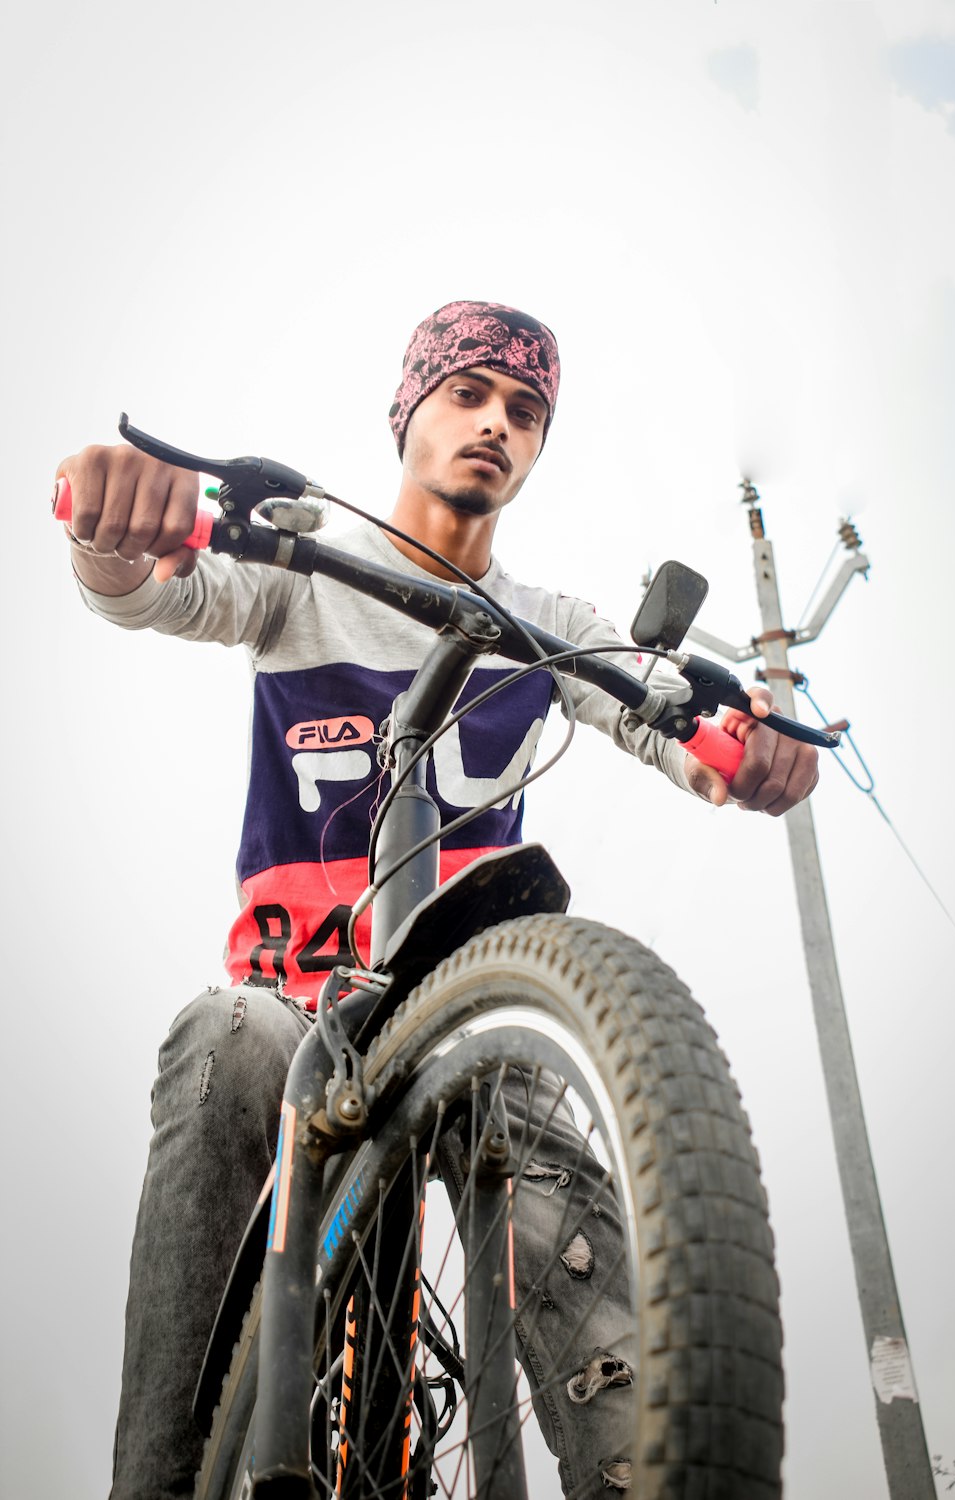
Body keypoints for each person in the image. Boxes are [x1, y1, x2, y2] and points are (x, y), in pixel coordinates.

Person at [59, 301, 818, 1499]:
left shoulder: (548, 626)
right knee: (222, 1037)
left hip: (458, 1000)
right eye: (467, 394)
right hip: (295, 1003)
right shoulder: (300, 579)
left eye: (524, 412)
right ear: (407, 413)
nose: (494, 425)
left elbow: (655, 710)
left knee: (533, 1137)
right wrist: (116, 520)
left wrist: (743, 744)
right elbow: (149, 591)